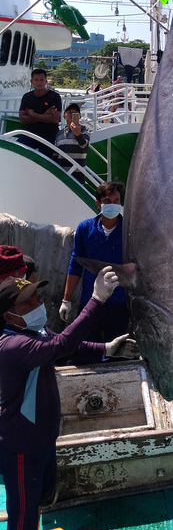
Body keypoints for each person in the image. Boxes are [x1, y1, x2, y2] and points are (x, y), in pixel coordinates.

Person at [0, 267, 136, 530]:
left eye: (36, 295)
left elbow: (63, 344)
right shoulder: (12, 345)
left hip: (43, 437)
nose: (37, 303)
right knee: (19, 515)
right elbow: (59, 346)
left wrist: (105, 349)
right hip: (21, 444)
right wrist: (96, 300)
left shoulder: (34, 332)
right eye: (27, 303)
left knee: (38, 495)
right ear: (9, 317)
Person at [59, 181, 128, 344]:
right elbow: (75, 264)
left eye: (116, 201)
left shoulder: (128, 230)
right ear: (98, 204)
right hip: (90, 301)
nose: (113, 205)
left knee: (116, 355)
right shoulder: (84, 228)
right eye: (107, 201)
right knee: (84, 349)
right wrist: (66, 300)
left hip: (120, 302)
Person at [18, 69, 61, 158]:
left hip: (49, 135)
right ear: (31, 81)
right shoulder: (27, 97)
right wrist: (44, 116)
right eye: (36, 80)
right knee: (18, 151)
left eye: (41, 80)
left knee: (47, 161)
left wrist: (33, 115)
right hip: (31, 133)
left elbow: (54, 119)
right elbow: (22, 119)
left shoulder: (54, 97)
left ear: (45, 81)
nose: (39, 83)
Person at [54, 102, 90, 184]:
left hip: (78, 177)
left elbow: (84, 145)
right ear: (64, 116)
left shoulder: (84, 129)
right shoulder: (59, 133)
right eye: (69, 112)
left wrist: (78, 133)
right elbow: (55, 154)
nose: (72, 114)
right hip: (61, 175)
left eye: (75, 113)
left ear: (79, 117)